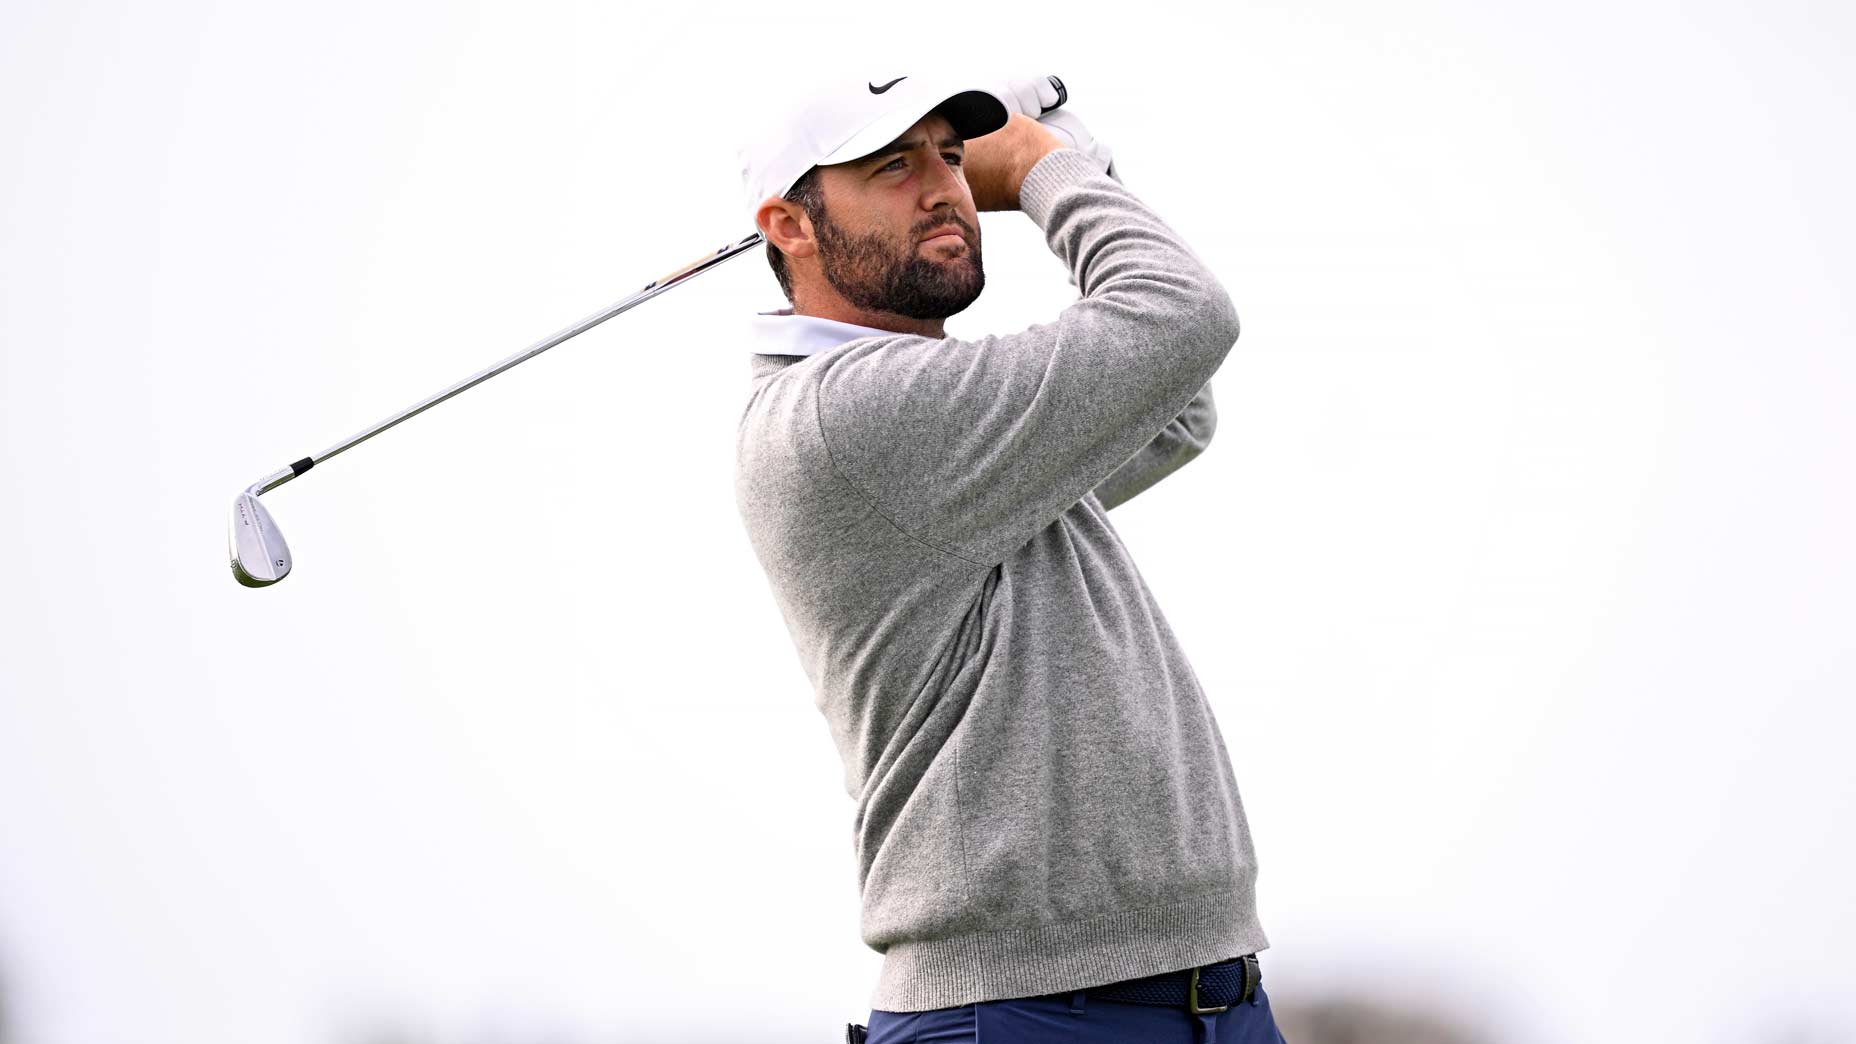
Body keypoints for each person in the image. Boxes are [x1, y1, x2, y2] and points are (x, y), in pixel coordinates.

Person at [732, 73, 1284, 1044]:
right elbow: (1180, 315)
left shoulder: (932, 412)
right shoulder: (845, 416)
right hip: (1024, 1014)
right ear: (789, 224)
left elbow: (1174, 399)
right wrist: (1038, 165)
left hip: (1207, 995)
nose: (942, 187)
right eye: (890, 166)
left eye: (949, 154)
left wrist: (1075, 153)